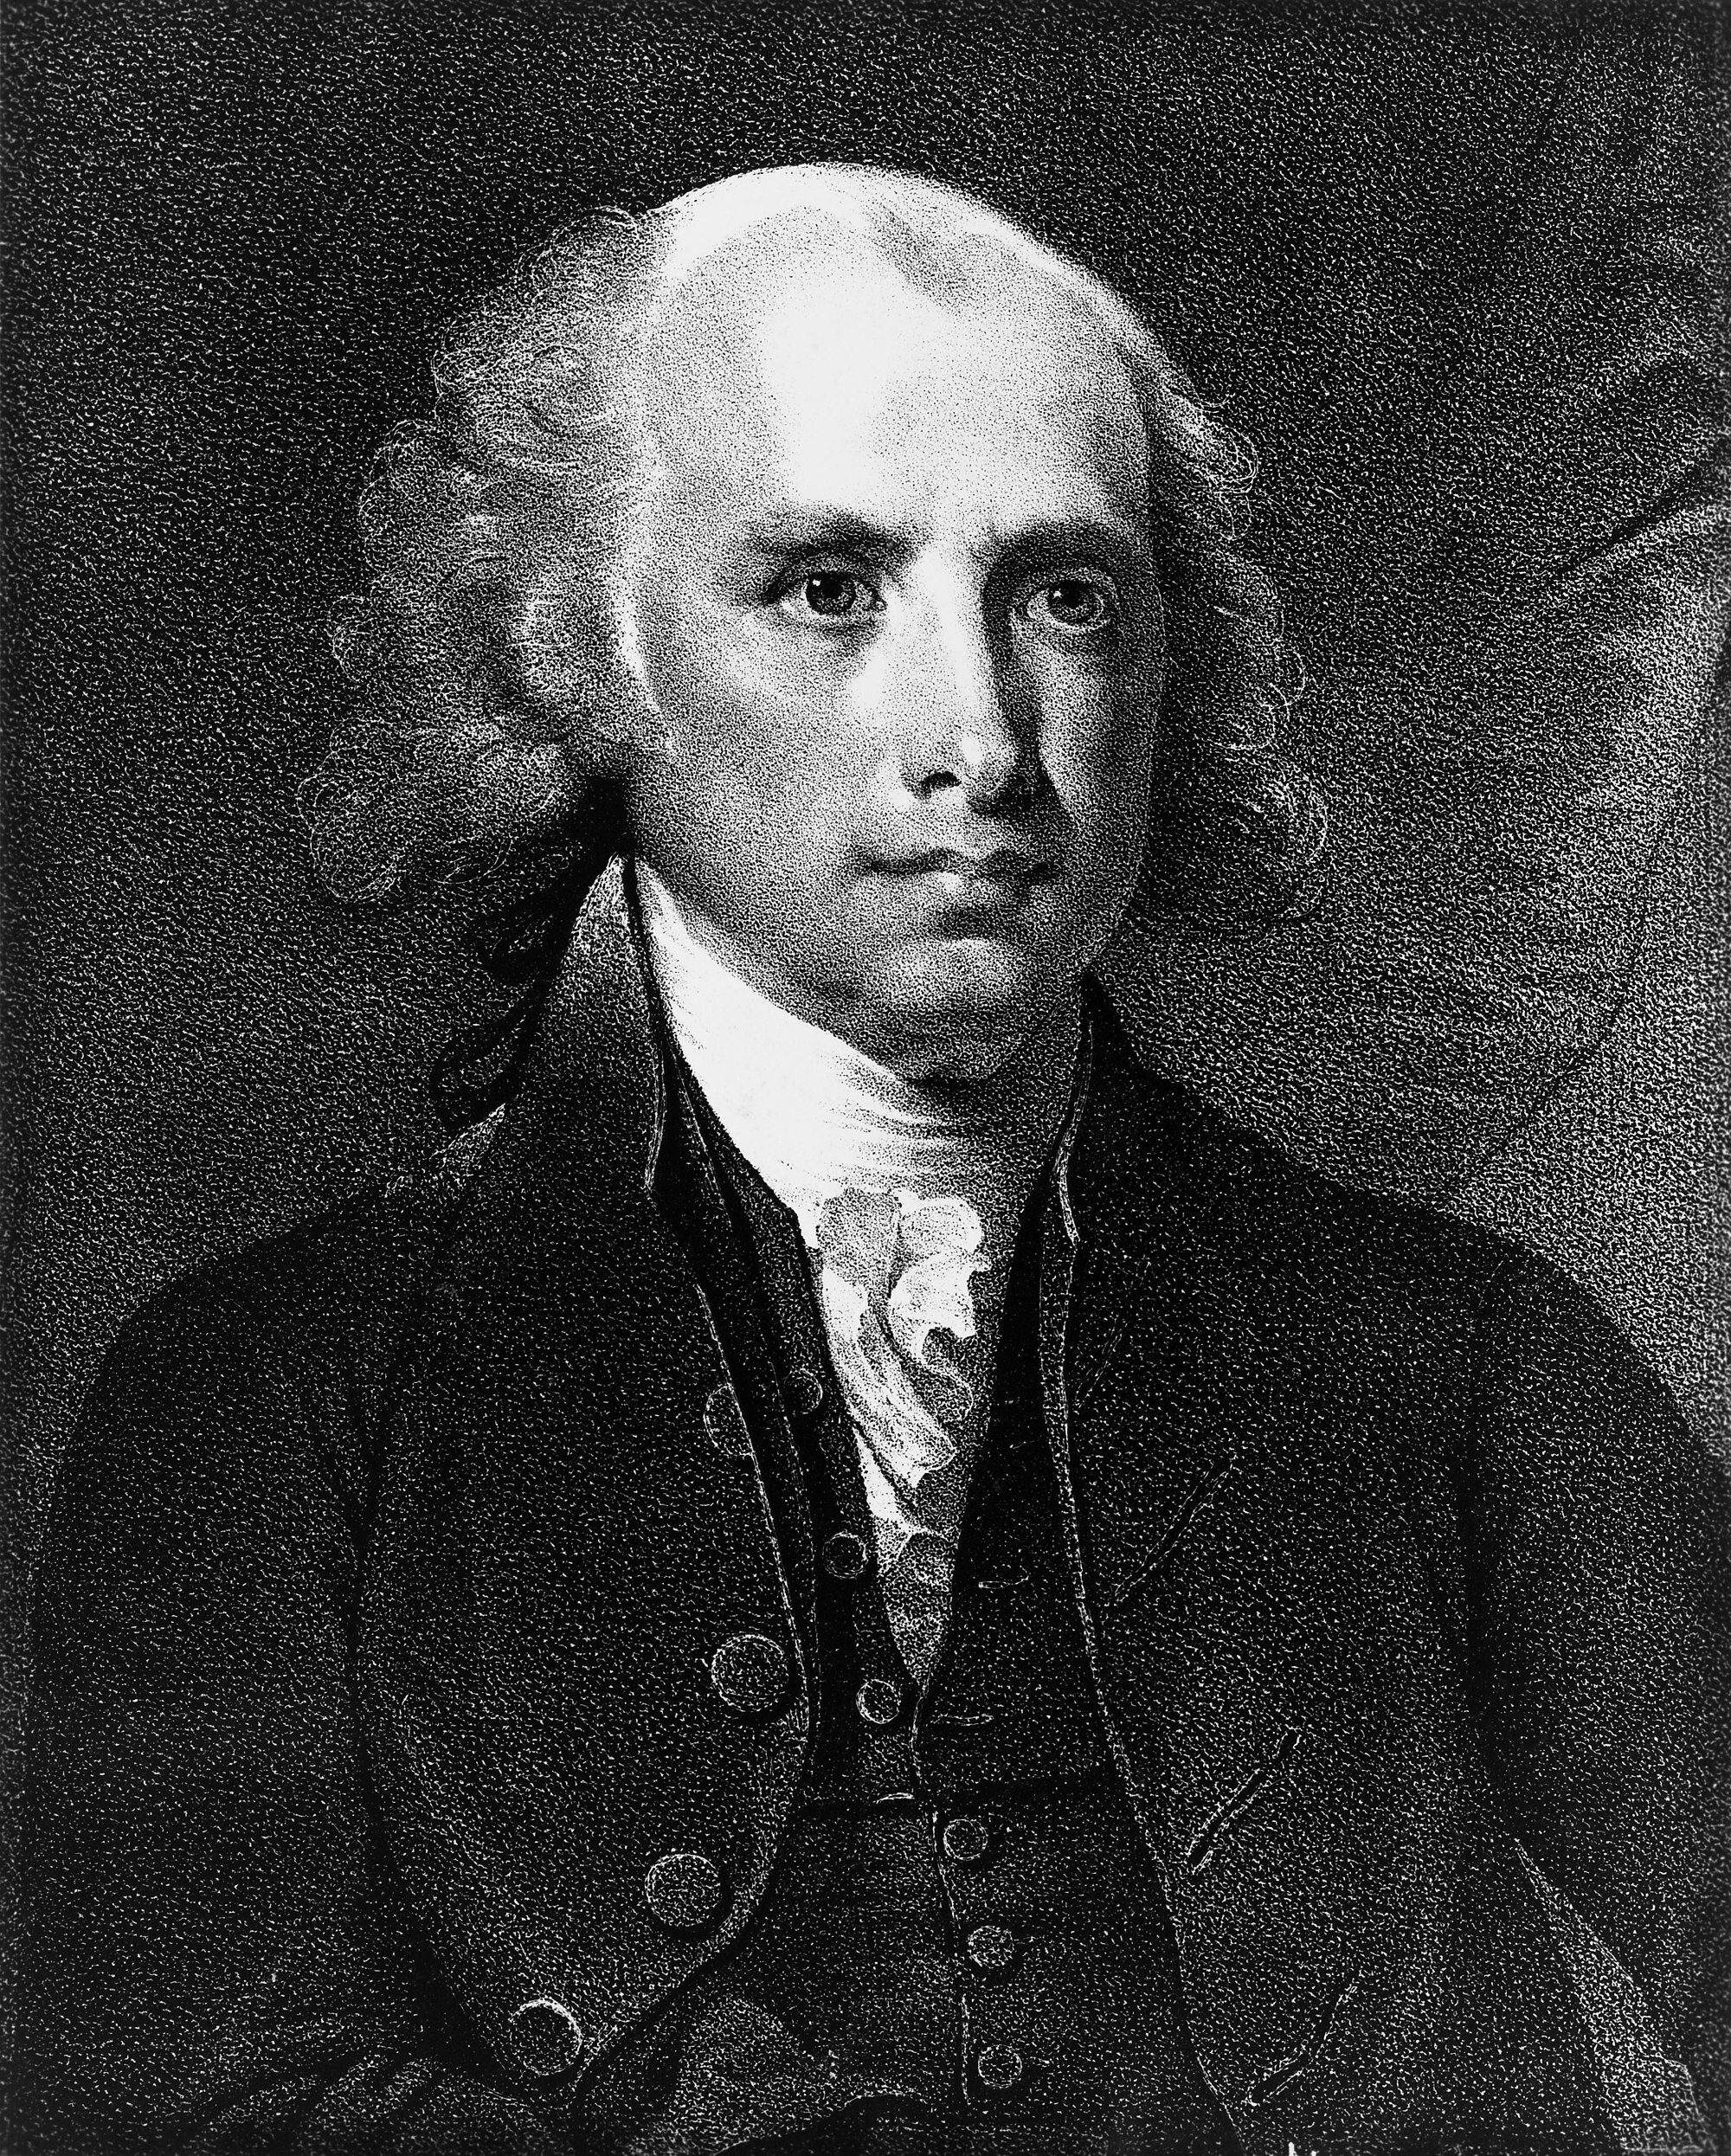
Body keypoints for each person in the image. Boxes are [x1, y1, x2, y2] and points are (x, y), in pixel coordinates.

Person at [17, 164, 1729, 2156]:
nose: (982, 739)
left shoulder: (1467, 1366)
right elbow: (213, 2111)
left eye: (1064, 595)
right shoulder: (268, 1404)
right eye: (830, 588)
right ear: (579, 645)